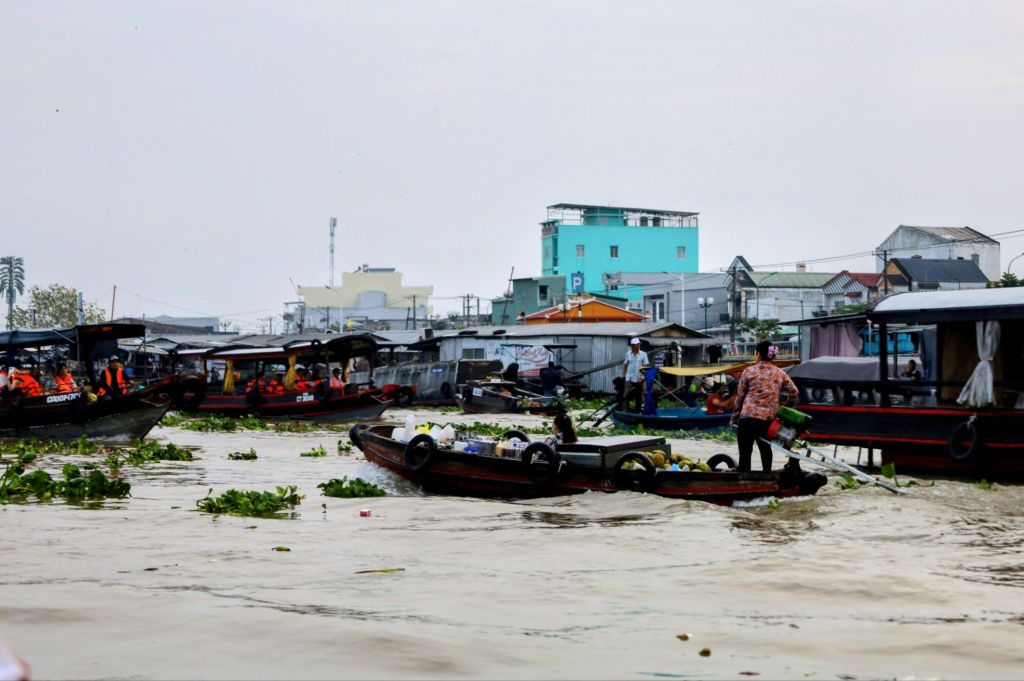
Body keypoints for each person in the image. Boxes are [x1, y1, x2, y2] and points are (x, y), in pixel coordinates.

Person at [731, 340, 799, 472]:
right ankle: (767, 474)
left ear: (758, 354)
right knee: (765, 448)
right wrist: (783, 405)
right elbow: (794, 392)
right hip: (767, 420)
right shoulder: (780, 373)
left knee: (745, 451)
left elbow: (740, 397)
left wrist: (734, 417)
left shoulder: (748, 371)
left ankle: (744, 476)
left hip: (748, 417)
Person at [621, 337, 649, 413]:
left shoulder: (643, 354)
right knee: (626, 395)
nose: (638, 346)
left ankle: (638, 411)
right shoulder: (628, 354)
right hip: (629, 377)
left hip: (639, 378)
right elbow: (625, 364)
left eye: (639, 344)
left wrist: (643, 376)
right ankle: (625, 411)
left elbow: (646, 366)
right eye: (637, 344)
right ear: (633, 346)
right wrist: (623, 374)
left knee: (639, 396)